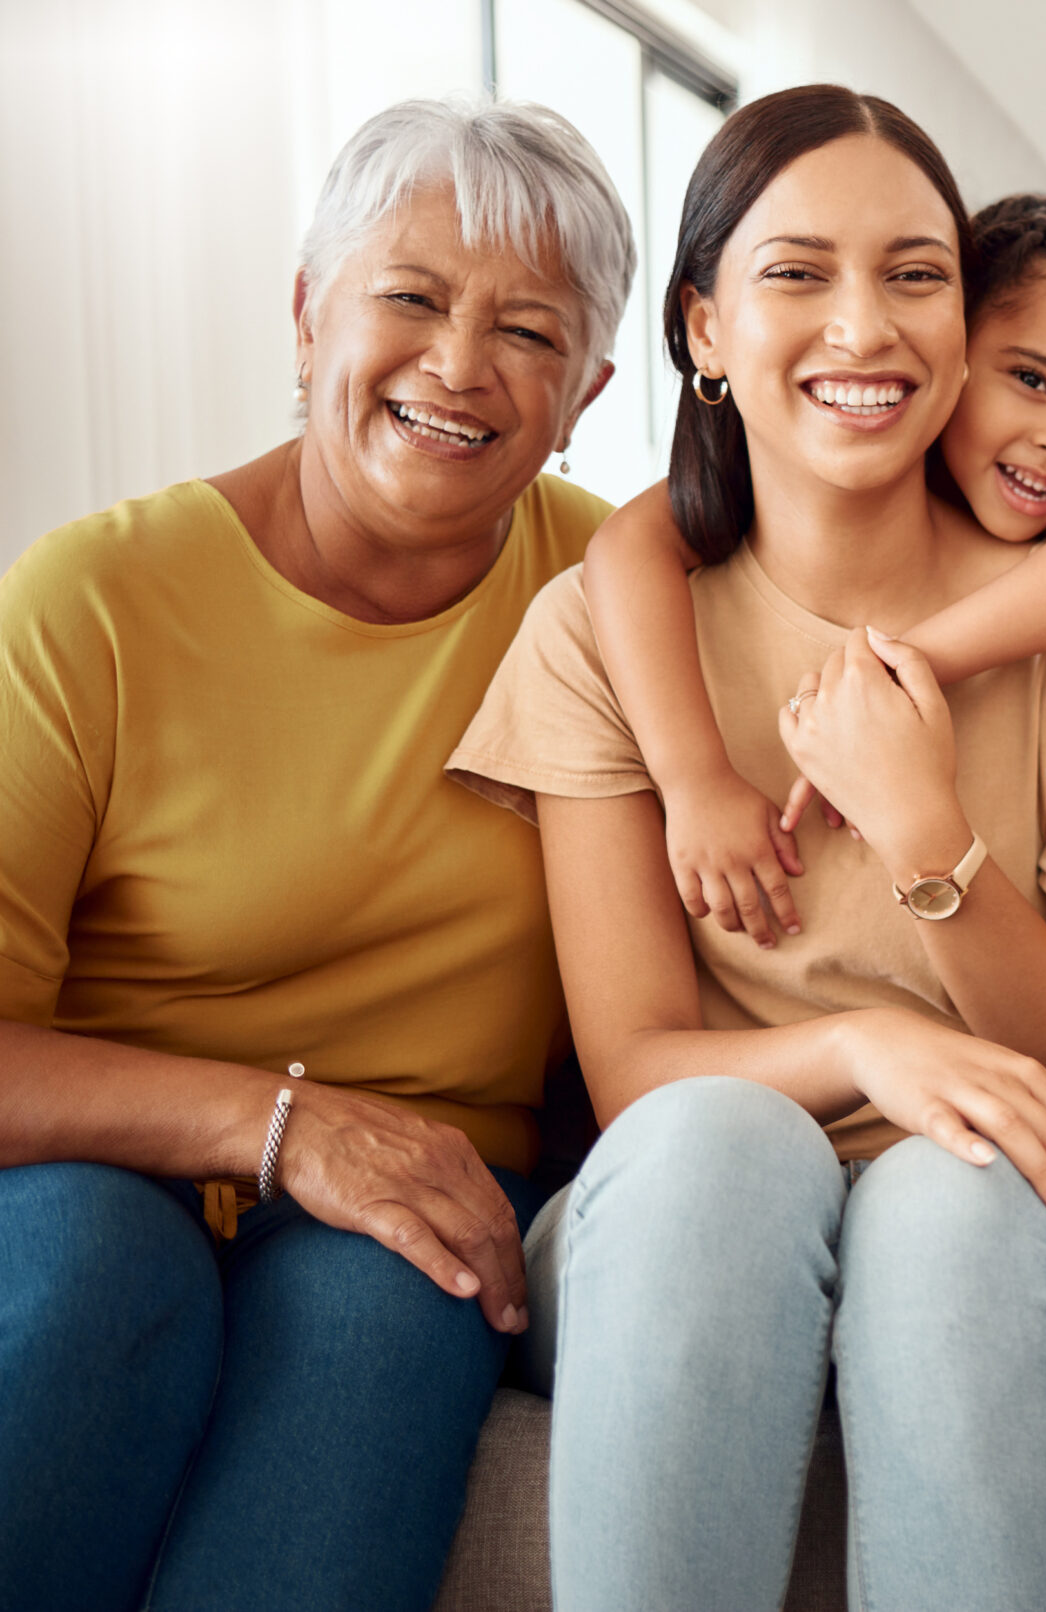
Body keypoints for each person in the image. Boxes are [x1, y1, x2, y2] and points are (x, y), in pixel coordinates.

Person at [447, 85, 1046, 1612]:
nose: (866, 327)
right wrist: (866, 1048)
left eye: (916, 276)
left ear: (965, 328)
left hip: (984, 1195)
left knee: (966, 1189)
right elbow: (640, 1062)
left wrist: (929, 839)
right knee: (726, 1143)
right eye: (797, 275)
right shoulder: (608, 630)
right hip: (680, 1199)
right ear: (704, 329)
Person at [0, 98, 629, 1612]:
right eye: (409, 297)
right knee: (102, 1267)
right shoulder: (95, 598)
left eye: (529, 333)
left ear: (588, 390)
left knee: (398, 1297)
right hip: (95, 1170)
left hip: (423, 1198)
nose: (460, 366)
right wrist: (282, 1127)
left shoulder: (621, 597)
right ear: (306, 314)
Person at [577, 192, 1046, 944]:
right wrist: (696, 779)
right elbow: (627, 546)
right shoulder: (819, 470)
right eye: (1030, 379)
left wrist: (901, 669)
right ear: (954, 349)